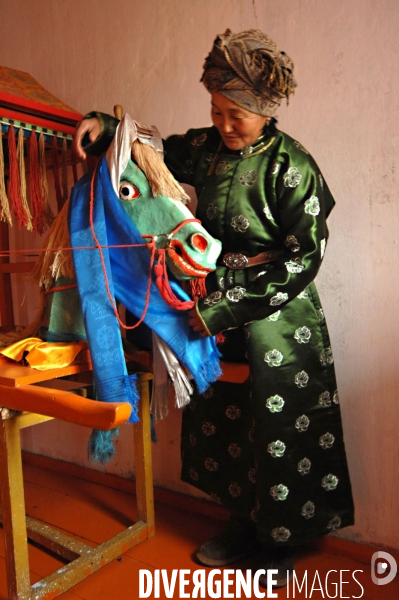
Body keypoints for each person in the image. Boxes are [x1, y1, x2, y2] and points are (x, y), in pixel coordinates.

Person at [73, 28, 354, 588]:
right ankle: (240, 525)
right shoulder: (197, 148)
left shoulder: (291, 166)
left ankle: (281, 541)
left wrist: (227, 310)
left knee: (278, 425)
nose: (224, 124)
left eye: (238, 115)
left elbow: (305, 258)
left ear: (266, 112)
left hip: (277, 317)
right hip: (201, 302)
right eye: (217, 110)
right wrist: (105, 128)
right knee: (228, 421)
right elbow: (147, 153)